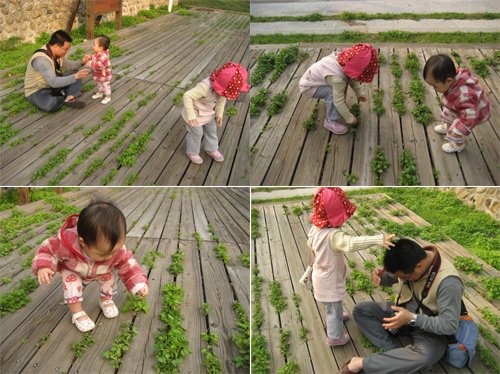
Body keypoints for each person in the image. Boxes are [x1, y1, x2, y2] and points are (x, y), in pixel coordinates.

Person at [339, 238, 464, 374]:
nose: (404, 279)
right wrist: (383, 278)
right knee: (361, 310)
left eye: (407, 277)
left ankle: (359, 363)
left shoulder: (449, 283)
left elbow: (449, 325)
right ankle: (393, 353)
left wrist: (412, 318)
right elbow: (398, 276)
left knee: (424, 358)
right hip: (401, 312)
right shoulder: (411, 257)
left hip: (428, 328)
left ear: (419, 266)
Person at [32, 200, 149, 332]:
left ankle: (105, 300)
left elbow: (128, 265)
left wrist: (138, 284)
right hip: (74, 269)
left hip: (101, 270)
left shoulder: (116, 251)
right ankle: (77, 312)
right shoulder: (66, 242)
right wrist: (44, 266)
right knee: (72, 285)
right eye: (103, 254)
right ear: (83, 242)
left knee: (108, 278)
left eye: (114, 251)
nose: (110, 256)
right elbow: (48, 249)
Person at [308, 187, 395, 346]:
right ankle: (335, 337)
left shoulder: (316, 228)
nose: (345, 219)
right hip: (329, 281)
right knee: (332, 309)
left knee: (334, 304)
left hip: (320, 274)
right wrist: (379, 239)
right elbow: (351, 243)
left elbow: (310, 242)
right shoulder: (333, 236)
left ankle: (339, 314)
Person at [299, 43, 378, 135]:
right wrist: (350, 118)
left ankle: (330, 102)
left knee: (338, 90)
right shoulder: (338, 80)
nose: (358, 79)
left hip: (316, 80)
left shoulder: (344, 60)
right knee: (333, 94)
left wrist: (359, 93)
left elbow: (351, 77)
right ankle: (330, 121)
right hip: (309, 87)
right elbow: (338, 102)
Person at [182, 62, 249, 164]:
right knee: (196, 133)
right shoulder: (204, 87)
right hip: (194, 114)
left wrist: (219, 115)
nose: (224, 94)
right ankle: (192, 152)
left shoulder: (223, 90)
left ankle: (211, 148)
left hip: (208, 113)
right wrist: (191, 115)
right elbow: (187, 96)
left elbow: (221, 102)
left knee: (212, 130)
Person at [423, 54, 491, 153]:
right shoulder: (452, 82)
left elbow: (469, 117)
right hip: (462, 107)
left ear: (448, 81)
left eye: (435, 86)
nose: (434, 89)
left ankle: (458, 144)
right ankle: (448, 127)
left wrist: (459, 129)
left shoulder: (464, 95)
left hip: (474, 113)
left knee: (458, 129)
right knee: (449, 112)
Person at [24, 29, 90, 112]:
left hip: (52, 84)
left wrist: (82, 63)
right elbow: (54, 82)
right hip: (38, 90)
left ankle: (68, 97)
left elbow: (69, 66)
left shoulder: (56, 53)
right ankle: (64, 96)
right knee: (50, 105)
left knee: (75, 72)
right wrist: (76, 77)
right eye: (65, 49)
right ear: (56, 46)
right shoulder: (41, 60)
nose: (66, 52)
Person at [85, 35, 112, 104]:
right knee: (99, 83)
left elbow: (99, 65)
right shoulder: (98, 53)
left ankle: (108, 96)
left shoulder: (104, 56)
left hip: (105, 75)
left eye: (94, 45)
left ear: (100, 48)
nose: (93, 46)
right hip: (99, 75)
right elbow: (95, 57)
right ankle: (100, 92)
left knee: (106, 85)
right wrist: (90, 57)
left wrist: (91, 63)